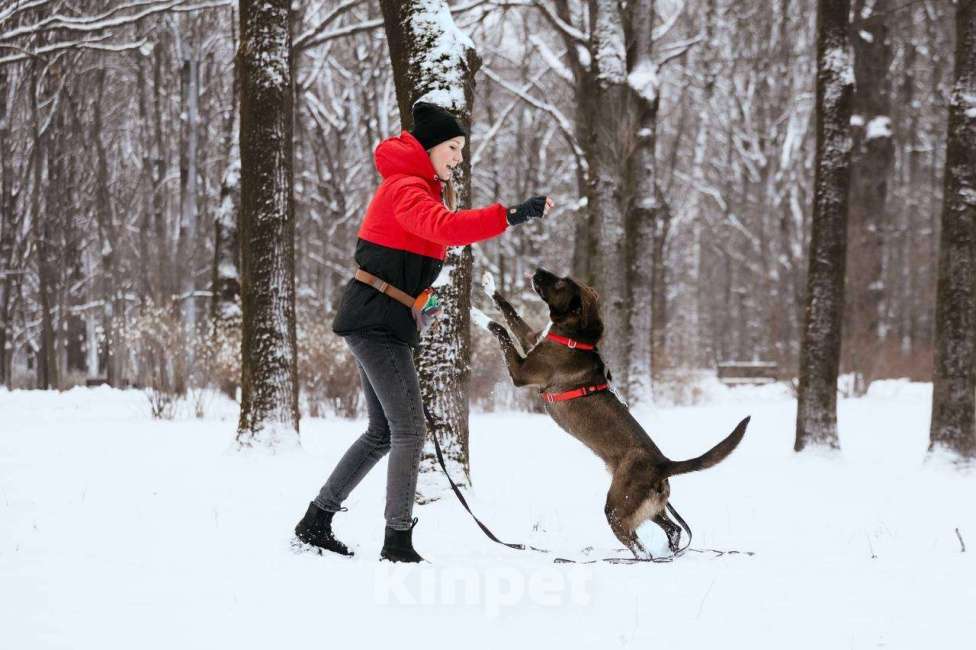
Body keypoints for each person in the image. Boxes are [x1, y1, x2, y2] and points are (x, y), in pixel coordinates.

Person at [294, 101, 554, 562]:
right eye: (452, 147)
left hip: (379, 320)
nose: (458, 157)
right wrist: (509, 215)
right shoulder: (406, 187)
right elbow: (447, 229)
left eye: (461, 149)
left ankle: (317, 521)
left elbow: (409, 258)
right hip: (375, 324)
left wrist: (423, 302)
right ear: (430, 148)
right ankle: (397, 543)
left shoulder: (419, 189)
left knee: (383, 432)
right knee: (409, 430)